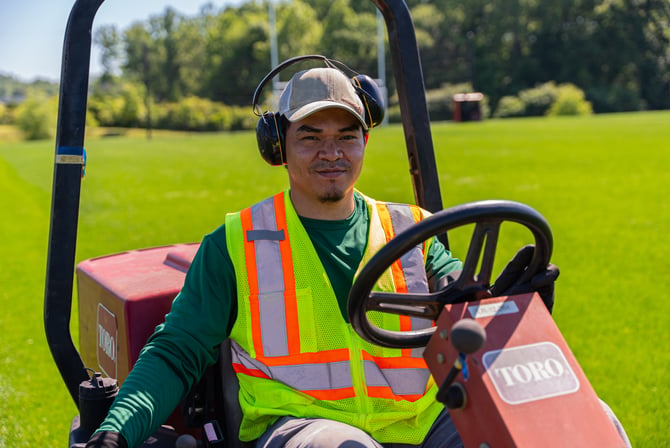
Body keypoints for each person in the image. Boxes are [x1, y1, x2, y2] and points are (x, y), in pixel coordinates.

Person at [86, 61, 626, 448]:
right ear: (279, 147)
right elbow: (176, 351)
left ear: (366, 139)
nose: (332, 152)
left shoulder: (411, 229)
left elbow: (464, 314)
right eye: (311, 135)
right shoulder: (235, 243)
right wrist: (115, 429)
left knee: (577, 422)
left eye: (347, 135)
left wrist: (501, 309)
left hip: (421, 423)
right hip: (302, 427)